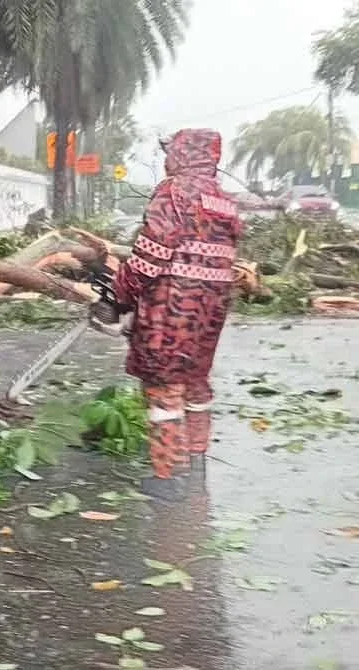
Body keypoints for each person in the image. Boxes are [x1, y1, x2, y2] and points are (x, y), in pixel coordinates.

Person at [109, 128, 242, 501]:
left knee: (163, 386)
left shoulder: (174, 192)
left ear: (185, 153)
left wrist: (120, 293)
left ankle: (168, 476)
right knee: (195, 381)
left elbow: (150, 253)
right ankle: (196, 456)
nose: (167, 158)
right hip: (211, 307)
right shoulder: (224, 200)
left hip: (172, 305)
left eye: (171, 151)